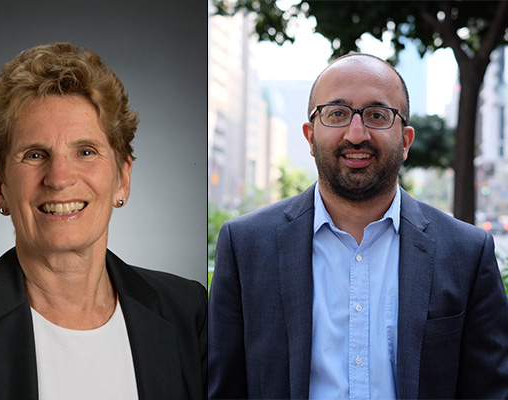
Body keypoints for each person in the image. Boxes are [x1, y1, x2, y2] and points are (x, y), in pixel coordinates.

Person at [0, 43, 207, 400]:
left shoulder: (189, 311)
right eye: (35, 154)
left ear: (122, 178)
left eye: (85, 151)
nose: (60, 178)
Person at [208, 53, 508, 399]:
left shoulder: (467, 253)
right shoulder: (245, 246)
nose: (356, 133)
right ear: (310, 136)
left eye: (377, 115)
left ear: (406, 140)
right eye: (337, 114)